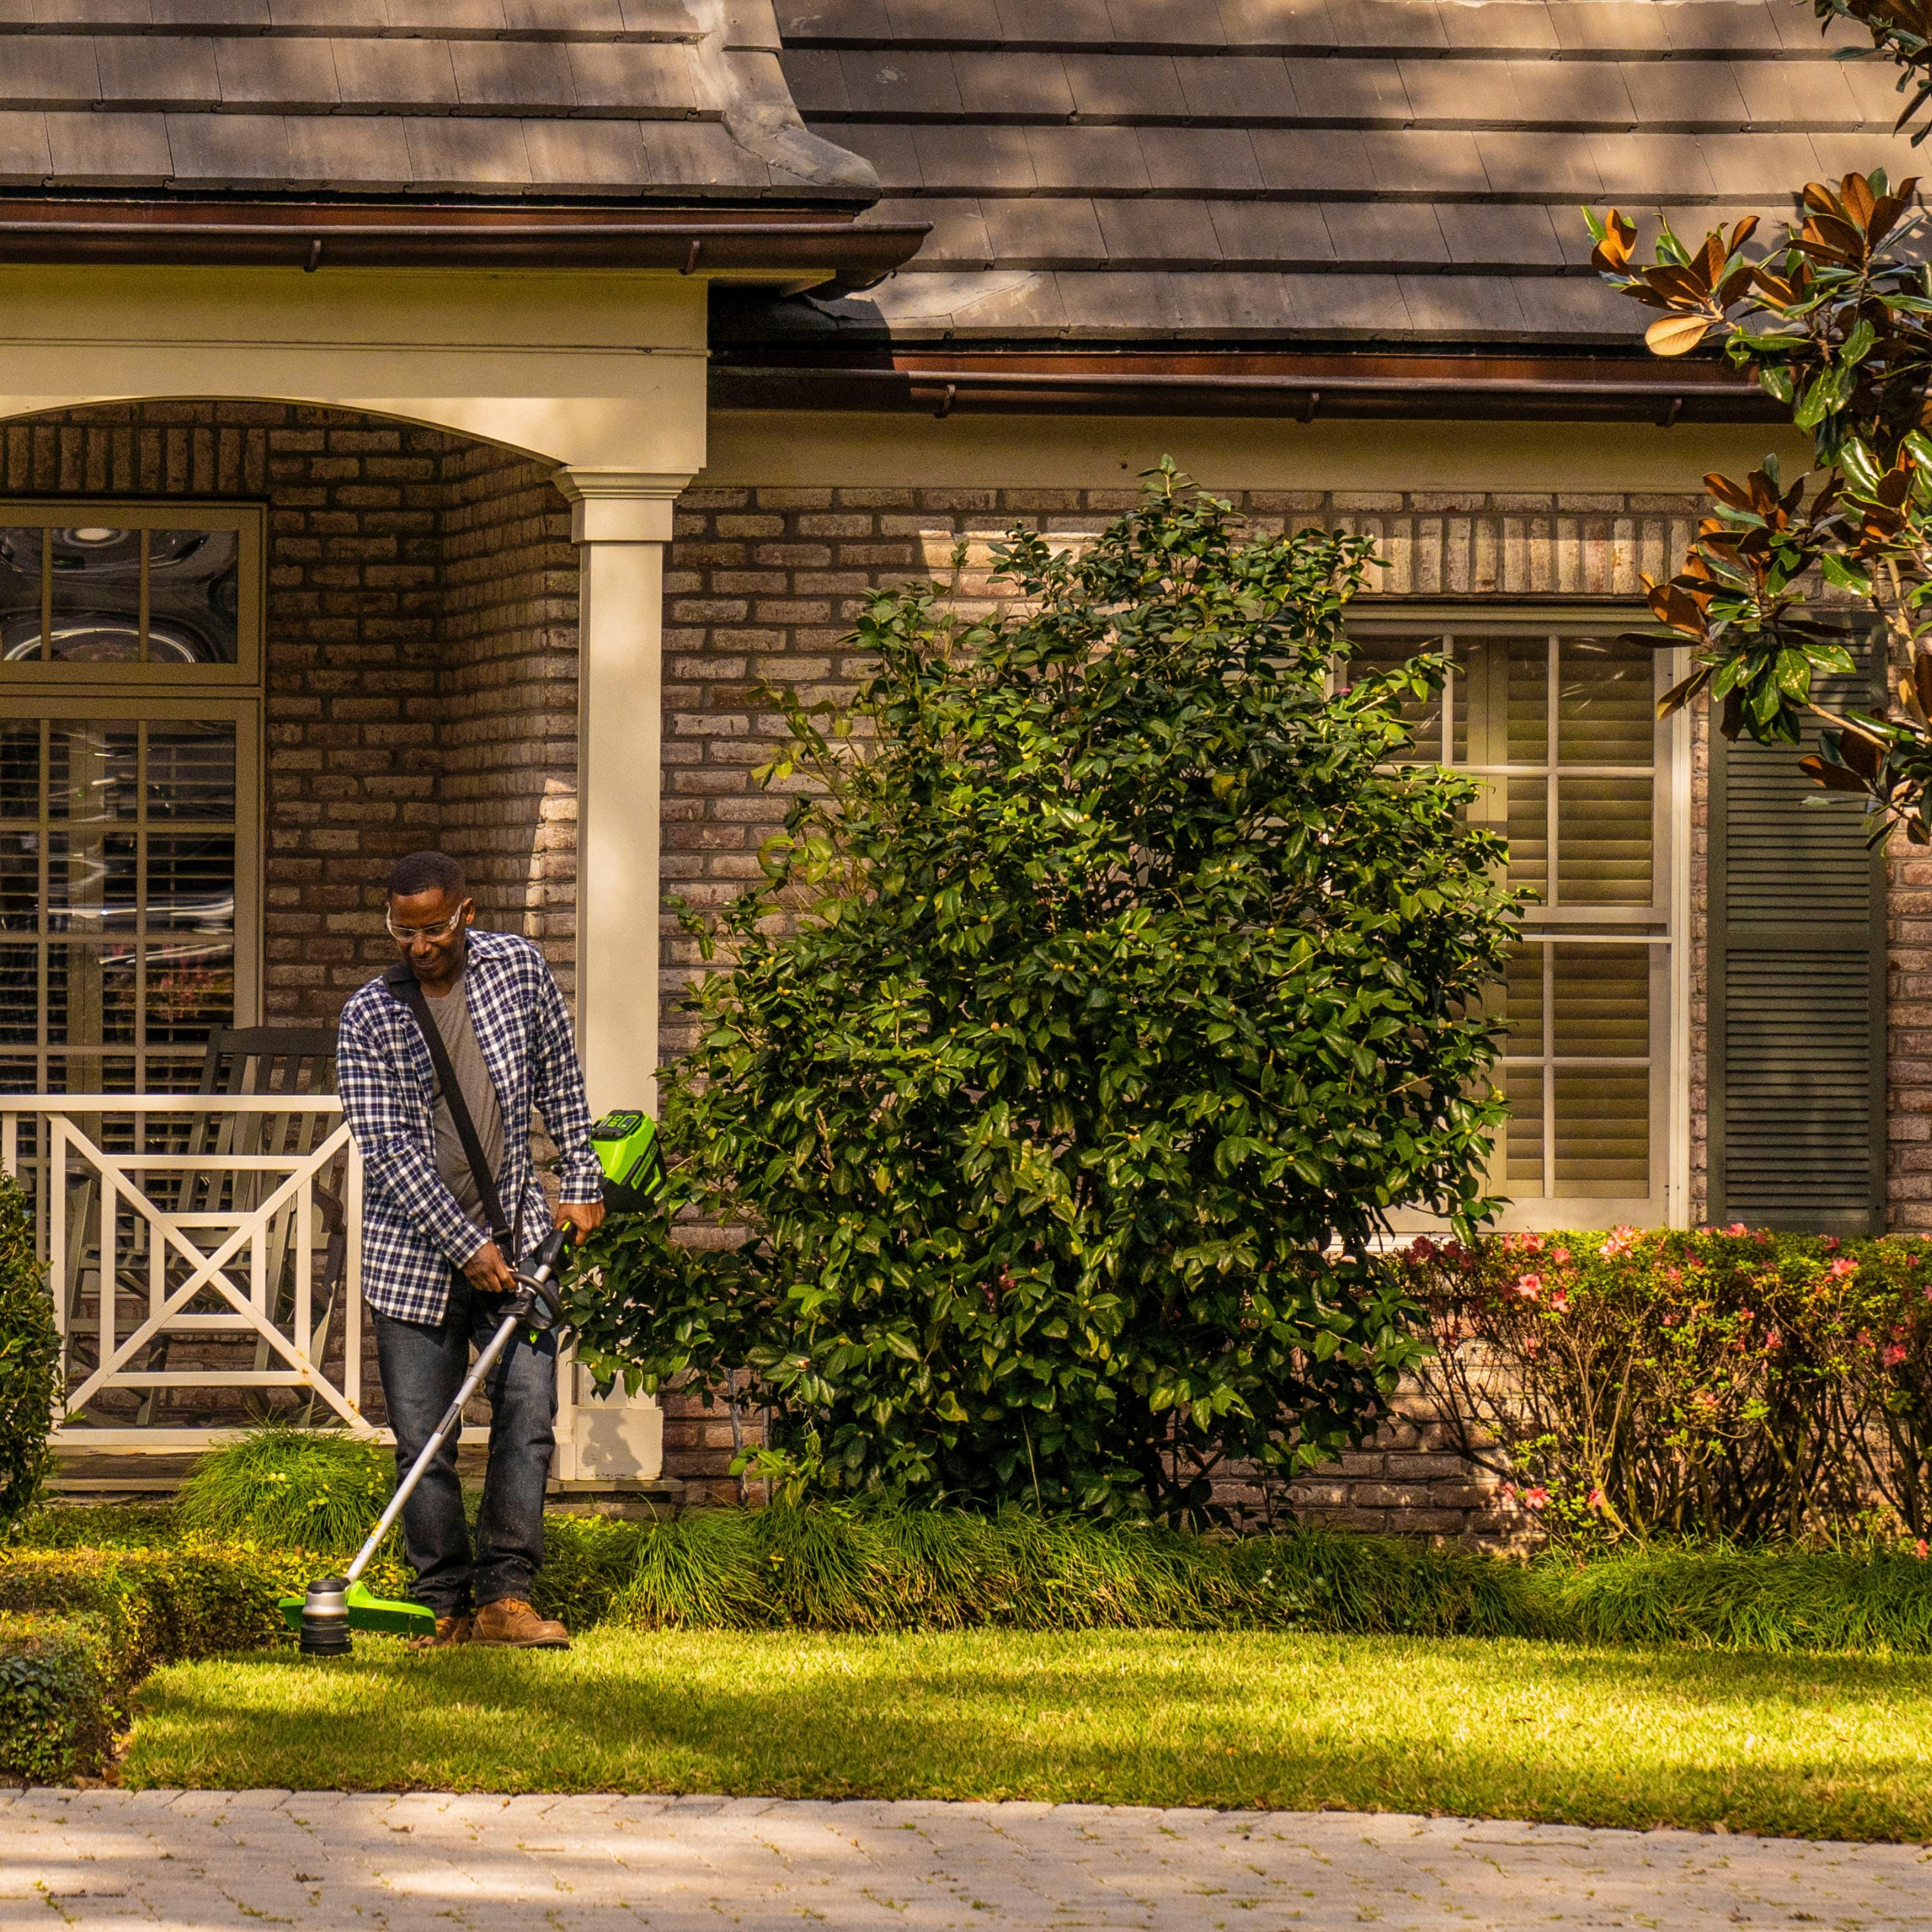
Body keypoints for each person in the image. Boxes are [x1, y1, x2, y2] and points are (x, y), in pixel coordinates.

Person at [336, 851, 605, 1649]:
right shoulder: (369, 1016)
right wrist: (465, 1247)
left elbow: (561, 1081)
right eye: (401, 931)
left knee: (528, 1415)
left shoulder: (518, 971)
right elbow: (390, 1152)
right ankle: (442, 1601)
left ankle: (506, 1598)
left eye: (433, 929)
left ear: (467, 913)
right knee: (426, 1440)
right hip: (414, 1256)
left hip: (519, 1239)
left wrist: (582, 1177)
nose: (418, 946)